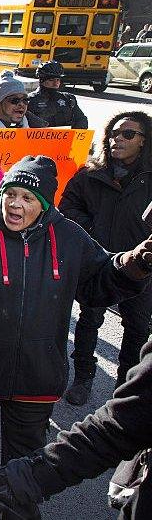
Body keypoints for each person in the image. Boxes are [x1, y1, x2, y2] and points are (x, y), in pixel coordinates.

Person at [0, 156, 150, 481]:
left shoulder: (69, 236)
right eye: (11, 194)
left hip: (36, 380)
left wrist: (132, 263)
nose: (15, 205)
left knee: (20, 472)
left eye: (27, 198)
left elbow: (98, 284)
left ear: (44, 204)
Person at [0, 337, 152, 520]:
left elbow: (118, 426)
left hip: (38, 377)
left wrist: (22, 480)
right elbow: (124, 423)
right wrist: (22, 479)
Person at [60, 111, 152, 403]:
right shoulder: (90, 173)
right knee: (89, 320)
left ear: (144, 141)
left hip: (139, 268)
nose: (118, 139)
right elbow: (68, 209)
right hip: (98, 264)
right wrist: (93, 231)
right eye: (113, 133)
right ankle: (83, 377)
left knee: (137, 327)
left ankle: (123, 389)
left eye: (127, 134)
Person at [27, 61, 88, 129]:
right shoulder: (29, 100)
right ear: (41, 80)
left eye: (58, 80)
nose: (55, 83)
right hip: (39, 138)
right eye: (51, 80)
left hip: (65, 138)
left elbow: (81, 119)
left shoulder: (68, 98)